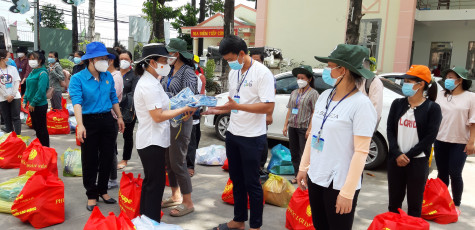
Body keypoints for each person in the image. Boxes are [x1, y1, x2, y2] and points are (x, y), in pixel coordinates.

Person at [296, 44, 377, 230]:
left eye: (330, 66)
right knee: (320, 226)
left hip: (339, 182)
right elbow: (314, 135)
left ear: (344, 70)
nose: (326, 71)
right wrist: (303, 167)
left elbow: (361, 152)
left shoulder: (361, 105)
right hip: (316, 175)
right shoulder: (325, 96)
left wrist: (347, 192)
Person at [203, 35, 275, 230]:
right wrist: (216, 110)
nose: (228, 63)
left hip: (252, 137)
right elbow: (232, 102)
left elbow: (268, 107)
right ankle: (239, 220)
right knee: (236, 179)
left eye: (229, 59)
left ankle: (255, 226)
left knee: (252, 182)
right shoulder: (235, 74)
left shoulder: (262, 73)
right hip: (233, 134)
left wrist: (239, 106)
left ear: (241, 54)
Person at [133, 43, 196, 223]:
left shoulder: (154, 81)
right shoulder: (149, 85)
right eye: (163, 60)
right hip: (151, 141)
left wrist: (180, 109)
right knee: (155, 185)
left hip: (154, 140)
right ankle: (151, 222)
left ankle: (144, 219)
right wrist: (183, 108)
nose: (167, 64)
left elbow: (164, 107)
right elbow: (158, 116)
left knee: (151, 182)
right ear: (152, 62)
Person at [69, 42, 125, 211]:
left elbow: (113, 98)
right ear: (91, 60)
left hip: (108, 120)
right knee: (90, 159)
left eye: (107, 59)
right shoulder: (77, 79)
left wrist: (120, 117)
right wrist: (80, 125)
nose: (106, 62)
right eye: (102, 59)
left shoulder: (107, 76)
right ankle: (91, 194)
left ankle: (103, 190)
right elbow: (77, 102)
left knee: (108, 156)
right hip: (89, 121)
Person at [386, 65, 442, 217]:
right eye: (405, 81)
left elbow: (430, 137)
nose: (405, 84)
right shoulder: (398, 104)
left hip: (417, 162)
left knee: (415, 205)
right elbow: (390, 130)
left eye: (409, 81)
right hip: (395, 160)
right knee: (394, 203)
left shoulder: (433, 108)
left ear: (421, 84)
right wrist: (397, 153)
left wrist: (409, 155)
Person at [160, 38, 197, 217]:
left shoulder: (187, 72)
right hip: (167, 120)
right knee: (169, 160)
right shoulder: (169, 71)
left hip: (181, 121)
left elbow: (190, 98)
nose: (166, 56)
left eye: (169, 53)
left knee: (178, 161)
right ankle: (175, 195)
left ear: (176, 54)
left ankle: (188, 201)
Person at [435, 66, 475, 215]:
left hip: (460, 141)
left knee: (455, 173)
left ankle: (456, 203)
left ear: (460, 80)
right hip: (440, 139)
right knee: (442, 174)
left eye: (452, 77)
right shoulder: (440, 95)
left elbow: (473, 120)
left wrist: (472, 141)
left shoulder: (471, 97)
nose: (448, 80)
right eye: (447, 77)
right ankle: (442, 201)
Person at [283, 65, 319, 184]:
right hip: (293, 126)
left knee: (304, 153)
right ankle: (296, 175)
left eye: (302, 78)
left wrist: (310, 129)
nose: (300, 80)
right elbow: (290, 109)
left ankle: (306, 177)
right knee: (294, 153)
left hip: (304, 128)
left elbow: (315, 112)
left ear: (309, 79)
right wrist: (285, 125)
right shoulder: (294, 92)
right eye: (298, 78)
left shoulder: (313, 93)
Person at [117, 50, 139, 170]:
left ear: (131, 61)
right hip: (113, 109)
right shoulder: (114, 74)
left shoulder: (134, 75)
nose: (123, 61)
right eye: (121, 59)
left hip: (127, 110)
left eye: (126, 59)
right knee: (111, 135)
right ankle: (112, 156)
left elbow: (135, 93)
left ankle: (125, 159)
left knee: (127, 135)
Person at [23, 50, 50, 147]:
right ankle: (40, 148)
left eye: (33, 59)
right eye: (29, 59)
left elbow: (41, 90)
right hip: (32, 105)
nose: (31, 61)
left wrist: (33, 103)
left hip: (39, 105)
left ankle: (45, 149)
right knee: (36, 127)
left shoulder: (43, 73)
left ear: (40, 60)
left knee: (41, 128)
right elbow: (28, 87)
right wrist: (25, 100)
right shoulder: (32, 72)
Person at [186, 55, 207, 177]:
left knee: (192, 140)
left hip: (194, 111)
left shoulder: (198, 78)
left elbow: (199, 94)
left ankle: (190, 165)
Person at [106, 48, 123, 190]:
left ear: (110, 60)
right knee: (104, 149)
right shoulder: (106, 75)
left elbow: (111, 97)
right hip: (104, 117)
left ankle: (112, 179)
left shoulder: (116, 77)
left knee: (110, 150)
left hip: (111, 117)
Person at [0, 50, 22, 134]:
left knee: (16, 117)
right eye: (8, 57)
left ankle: (18, 137)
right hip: (2, 98)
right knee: (6, 118)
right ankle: (10, 137)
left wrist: (12, 95)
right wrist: (6, 96)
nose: (10, 59)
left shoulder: (12, 68)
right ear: (2, 59)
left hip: (15, 97)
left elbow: (17, 81)